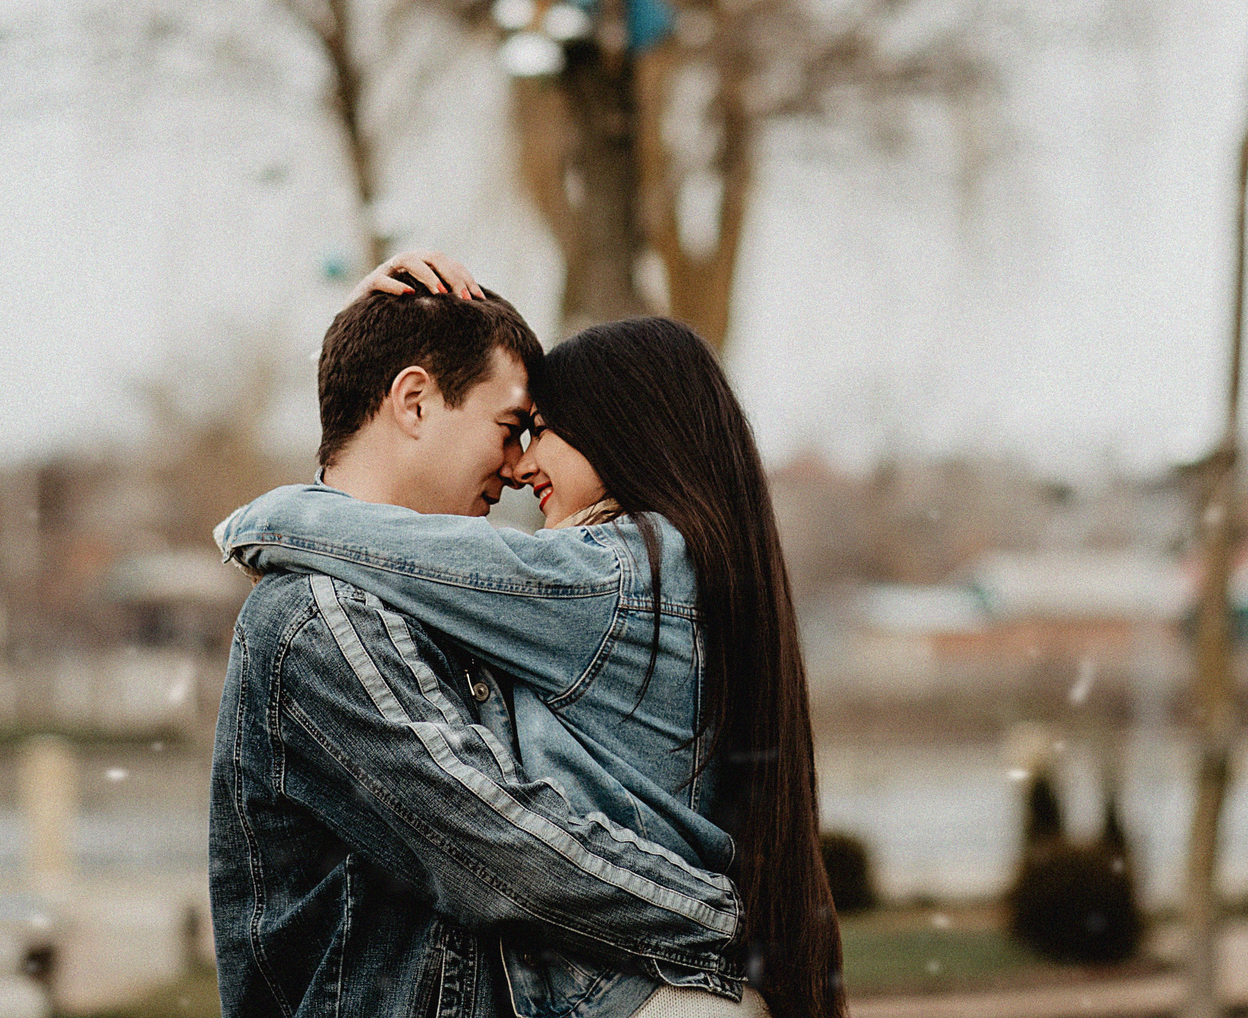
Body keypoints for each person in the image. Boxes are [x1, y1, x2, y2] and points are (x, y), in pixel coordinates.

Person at [218, 253, 843, 1018]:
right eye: (512, 427)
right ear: (413, 401)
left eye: (534, 432)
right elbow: (494, 844)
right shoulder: (323, 614)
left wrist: (279, 505)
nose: (517, 467)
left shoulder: (594, 575)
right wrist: (718, 922)